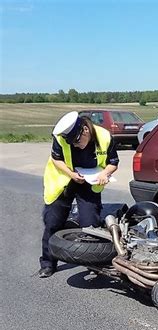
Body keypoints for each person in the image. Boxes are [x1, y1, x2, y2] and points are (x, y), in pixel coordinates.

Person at [39, 111, 119, 278]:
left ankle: (93, 261)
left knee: (91, 223)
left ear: (85, 130)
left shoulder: (105, 136)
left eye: (76, 141)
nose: (74, 145)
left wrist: (105, 174)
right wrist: (71, 173)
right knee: (53, 222)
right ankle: (48, 263)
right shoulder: (61, 137)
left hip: (90, 182)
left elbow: (113, 162)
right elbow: (56, 158)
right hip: (65, 180)